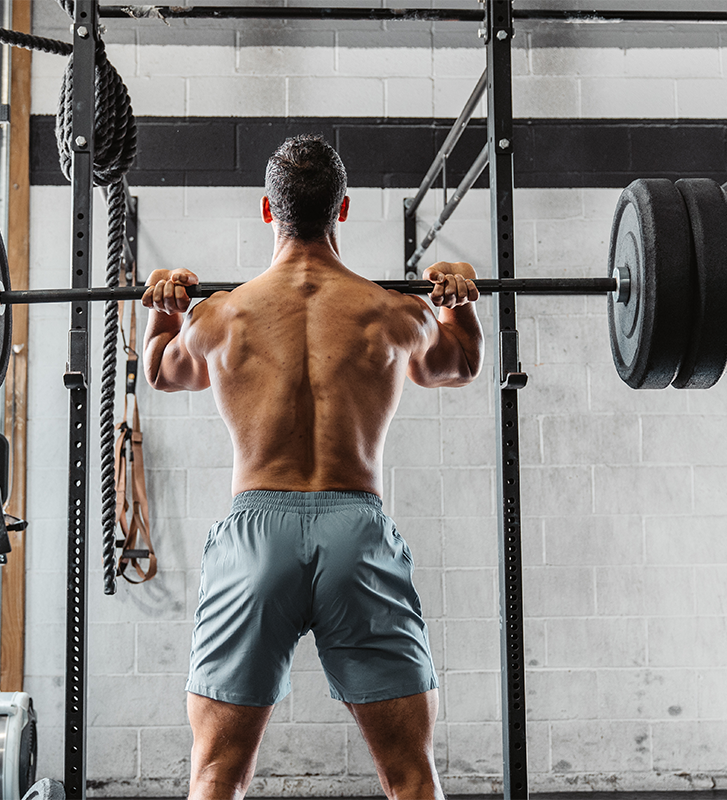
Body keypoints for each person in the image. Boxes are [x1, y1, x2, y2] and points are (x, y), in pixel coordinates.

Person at [141, 134, 484, 800]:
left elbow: (159, 371)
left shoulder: (221, 315)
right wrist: (458, 299)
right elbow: (460, 364)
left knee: (216, 773)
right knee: (410, 772)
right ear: (343, 211)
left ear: (268, 211)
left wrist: (160, 307)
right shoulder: (393, 312)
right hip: (356, 530)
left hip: (255, 536)